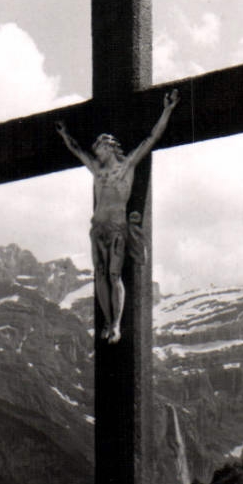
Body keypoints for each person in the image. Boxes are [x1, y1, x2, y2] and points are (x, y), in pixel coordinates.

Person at [57, 89, 178, 343]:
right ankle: (107, 321)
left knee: (114, 275)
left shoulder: (127, 166)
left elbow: (152, 138)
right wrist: (64, 133)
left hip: (116, 228)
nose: (96, 151)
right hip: (97, 227)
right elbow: (77, 150)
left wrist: (167, 109)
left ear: (110, 147)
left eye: (99, 147)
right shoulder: (97, 171)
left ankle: (115, 325)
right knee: (100, 273)